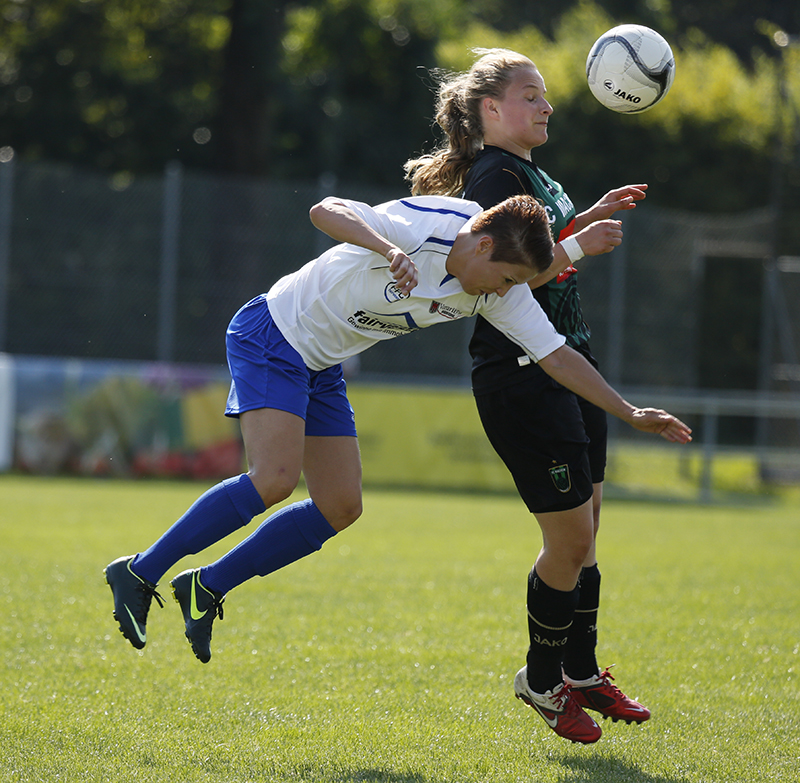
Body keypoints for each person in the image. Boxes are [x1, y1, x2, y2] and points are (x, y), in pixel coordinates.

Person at [104, 192, 690, 686]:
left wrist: (629, 411)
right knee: (275, 479)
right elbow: (323, 210)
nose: (508, 291)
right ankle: (139, 571)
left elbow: (556, 357)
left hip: (321, 363)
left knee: (341, 506)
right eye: (508, 277)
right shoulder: (425, 229)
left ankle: (206, 587)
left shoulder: (497, 288)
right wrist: (387, 249)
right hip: (275, 332)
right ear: (482, 245)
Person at [405, 48, 664, 744]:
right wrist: (580, 247)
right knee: (571, 538)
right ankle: (544, 680)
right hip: (524, 369)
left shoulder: (529, 172)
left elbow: (543, 249)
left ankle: (580, 671)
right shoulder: (495, 174)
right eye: (530, 95)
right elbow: (507, 274)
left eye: (545, 95)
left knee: (587, 533)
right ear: (491, 109)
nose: (546, 106)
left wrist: (587, 217)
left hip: (568, 357)